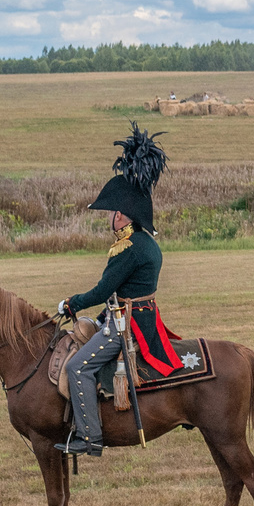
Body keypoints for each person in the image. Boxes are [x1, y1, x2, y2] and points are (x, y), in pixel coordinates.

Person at [52, 124, 167, 458]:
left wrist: (70, 304)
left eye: (111, 213)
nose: (109, 219)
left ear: (121, 215)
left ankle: (90, 437)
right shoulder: (146, 243)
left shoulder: (127, 247)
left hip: (124, 325)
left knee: (77, 367)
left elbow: (104, 290)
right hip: (140, 318)